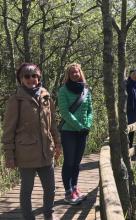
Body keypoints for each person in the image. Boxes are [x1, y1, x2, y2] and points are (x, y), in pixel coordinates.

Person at [1, 63, 61, 220]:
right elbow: (8, 131)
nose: (31, 79)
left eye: (34, 75)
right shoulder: (16, 100)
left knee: (50, 189)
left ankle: (49, 215)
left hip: (46, 151)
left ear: (39, 77)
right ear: (21, 79)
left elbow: (52, 123)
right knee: (26, 190)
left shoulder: (46, 96)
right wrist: (9, 156)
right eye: (26, 76)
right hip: (25, 153)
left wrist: (57, 144)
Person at [58, 63, 93, 205]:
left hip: (83, 131)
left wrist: (88, 124)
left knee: (77, 163)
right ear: (68, 74)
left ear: (80, 73)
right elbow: (64, 112)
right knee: (69, 162)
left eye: (77, 72)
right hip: (69, 131)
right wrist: (79, 126)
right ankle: (68, 192)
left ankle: (75, 188)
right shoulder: (63, 90)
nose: (75, 74)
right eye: (72, 72)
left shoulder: (85, 90)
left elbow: (90, 110)